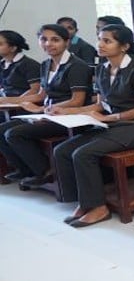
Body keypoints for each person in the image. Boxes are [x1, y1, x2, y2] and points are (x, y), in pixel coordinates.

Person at [53, 24, 134, 227]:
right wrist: (68, 111)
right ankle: (84, 202)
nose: (100, 45)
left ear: (125, 46)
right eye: (99, 39)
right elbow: (100, 104)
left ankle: (99, 207)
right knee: (62, 150)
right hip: (115, 125)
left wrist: (109, 118)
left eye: (107, 41)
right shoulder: (102, 68)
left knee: (83, 154)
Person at [0, 24, 91, 185]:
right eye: (43, 39)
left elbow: (77, 100)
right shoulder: (46, 64)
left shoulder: (77, 66)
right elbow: (41, 94)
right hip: (48, 113)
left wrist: (44, 109)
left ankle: (45, 171)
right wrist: (22, 103)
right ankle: (25, 169)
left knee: (14, 134)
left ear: (66, 42)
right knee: (2, 130)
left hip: (69, 116)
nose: (48, 44)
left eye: (55, 40)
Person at [0, 30, 41, 100]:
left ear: (13, 48)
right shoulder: (2, 64)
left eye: (0, 44)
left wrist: (12, 101)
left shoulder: (30, 65)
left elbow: (35, 90)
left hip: (23, 107)